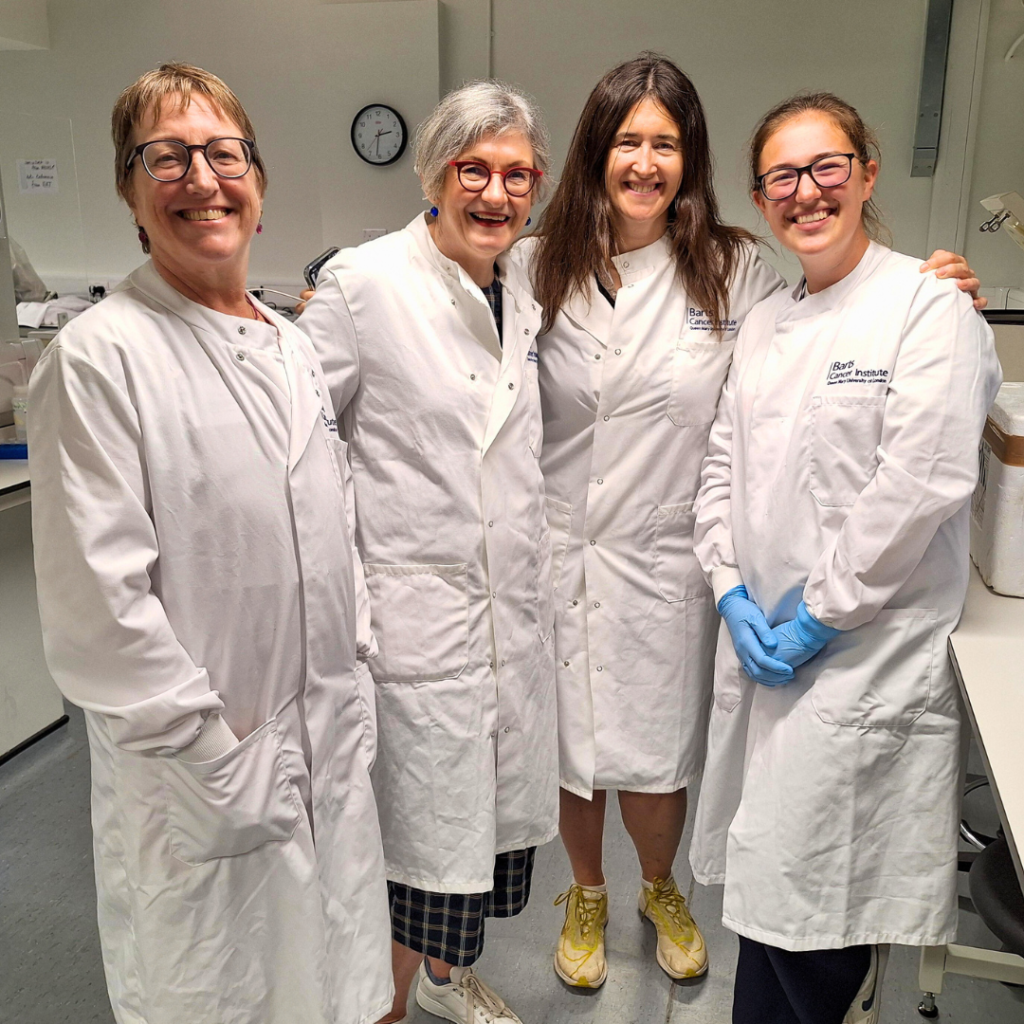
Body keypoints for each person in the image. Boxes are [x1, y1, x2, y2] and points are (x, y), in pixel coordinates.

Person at [521, 51, 984, 990]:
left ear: (689, 159)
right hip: (560, 550)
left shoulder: (735, 273)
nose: (644, 162)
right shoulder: (537, 264)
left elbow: (826, 323)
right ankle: (586, 893)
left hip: (667, 560)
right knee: (567, 747)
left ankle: (657, 885)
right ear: (594, 153)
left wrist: (938, 283)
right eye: (625, 141)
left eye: (664, 143)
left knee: (656, 747)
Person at [29, 63, 393, 1024]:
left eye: (224, 153)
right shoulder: (101, 357)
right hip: (204, 773)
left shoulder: (290, 344)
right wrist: (208, 749)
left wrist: (359, 658)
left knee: (328, 979)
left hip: (323, 743)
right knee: (220, 989)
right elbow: (99, 614)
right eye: (167, 156)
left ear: (259, 185)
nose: (202, 178)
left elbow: (333, 525)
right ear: (130, 192)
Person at [690, 92, 1001, 1024]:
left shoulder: (929, 308)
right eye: (782, 176)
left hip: (861, 662)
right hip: (765, 655)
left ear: (867, 172)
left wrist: (822, 613)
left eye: (827, 167)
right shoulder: (768, 320)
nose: (806, 192)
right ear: (760, 196)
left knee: (812, 926)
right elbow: (721, 466)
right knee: (768, 911)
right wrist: (730, 587)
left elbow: (922, 483)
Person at [297, 81, 558, 1024]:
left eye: (517, 174)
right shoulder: (361, 287)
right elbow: (295, 440)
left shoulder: (525, 279)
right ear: (432, 173)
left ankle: (440, 986)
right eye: (473, 169)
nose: (495, 192)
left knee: (467, 862)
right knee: (405, 864)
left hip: (505, 627)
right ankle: (386, 1009)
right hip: (411, 631)